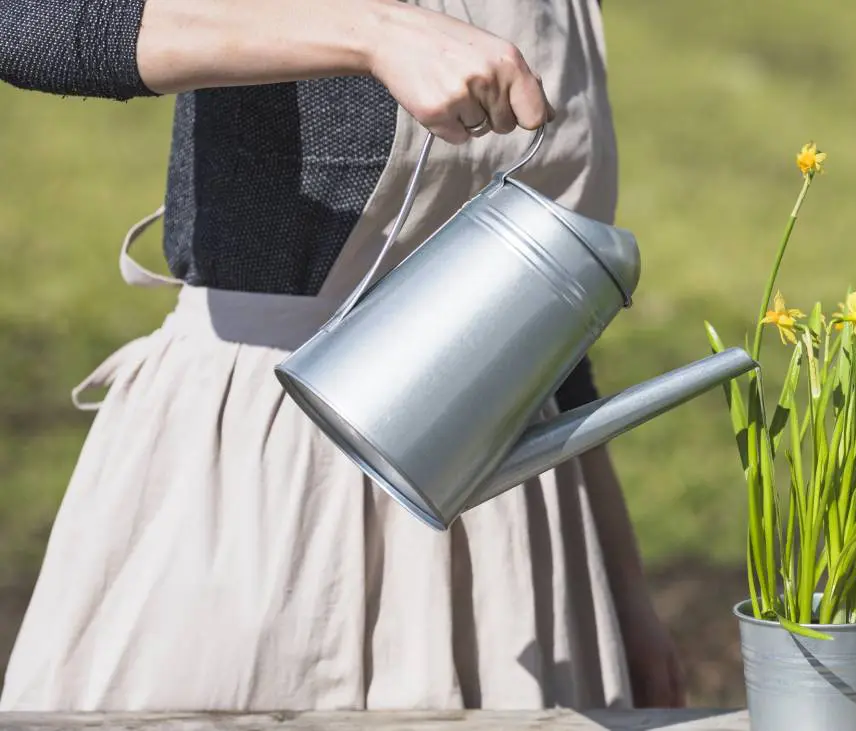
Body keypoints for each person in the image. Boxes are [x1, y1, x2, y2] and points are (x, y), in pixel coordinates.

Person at [0, 0, 684, 712]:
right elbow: (28, 24)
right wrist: (377, 33)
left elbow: (542, 323)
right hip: (264, 475)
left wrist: (626, 589)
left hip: (507, 531)